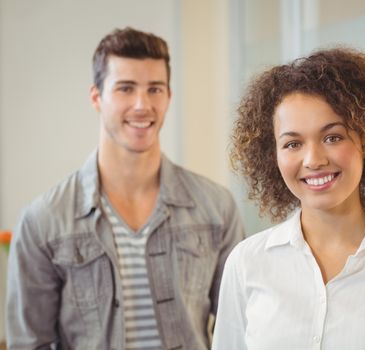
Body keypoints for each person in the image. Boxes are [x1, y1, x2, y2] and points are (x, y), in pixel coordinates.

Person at [6, 27, 244, 350]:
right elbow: (29, 342)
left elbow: (241, 328)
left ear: (169, 97)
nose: (142, 105)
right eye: (125, 89)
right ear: (96, 97)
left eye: (155, 89)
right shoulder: (42, 220)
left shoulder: (217, 207)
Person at [212, 48, 365, 350]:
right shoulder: (246, 262)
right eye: (292, 143)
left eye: (333, 137)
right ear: (272, 155)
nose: (313, 160)